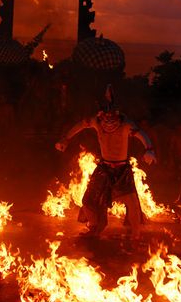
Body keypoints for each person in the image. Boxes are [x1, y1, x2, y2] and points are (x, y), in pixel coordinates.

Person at [54, 86, 156, 240]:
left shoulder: (125, 123)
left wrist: (149, 149)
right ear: (101, 115)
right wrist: (66, 139)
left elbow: (141, 134)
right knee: (88, 201)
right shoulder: (96, 122)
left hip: (122, 169)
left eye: (112, 116)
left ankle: (136, 235)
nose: (108, 120)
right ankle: (96, 226)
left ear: (117, 115)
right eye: (105, 116)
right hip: (104, 168)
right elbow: (81, 125)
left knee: (132, 202)